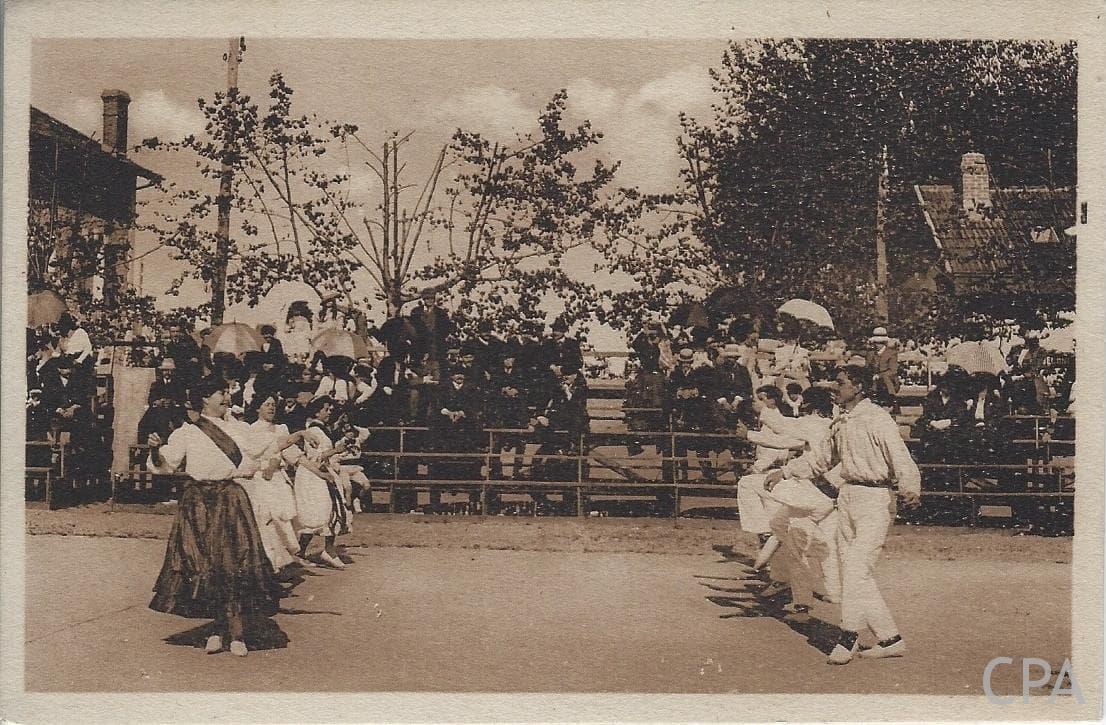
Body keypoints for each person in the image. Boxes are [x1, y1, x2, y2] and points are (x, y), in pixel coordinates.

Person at [767, 365, 921, 665]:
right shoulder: (840, 421)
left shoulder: (878, 419)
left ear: (859, 387)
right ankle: (890, 639)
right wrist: (784, 471)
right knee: (857, 573)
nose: (834, 388)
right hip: (847, 497)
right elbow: (822, 459)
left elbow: (900, 455)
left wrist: (910, 485)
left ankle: (848, 636)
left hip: (874, 499)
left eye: (840, 383)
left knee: (854, 568)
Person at [146, 379, 287, 657]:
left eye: (226, 392)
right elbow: (165, 464)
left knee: (232, 564)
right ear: (204, 399)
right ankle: (216, 629)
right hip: (198, 503)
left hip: (229, 499)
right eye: (220, 393)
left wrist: (285, 446)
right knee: (206, 566)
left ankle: (235, 632)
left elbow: (256, 455)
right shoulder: (187, 432)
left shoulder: (237, 429)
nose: (226, 397)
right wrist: (154, 448)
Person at [733, 387, 842, 611]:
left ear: (811, 405)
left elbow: (783, 428)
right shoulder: (826, 426)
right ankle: (828, 590)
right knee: (800, 533)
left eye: (804, 401)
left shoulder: (813, 423)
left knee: (793, 543)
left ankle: (801, 602)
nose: (799, 405)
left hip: (814, 493)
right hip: (828, 496)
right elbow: (786, 441)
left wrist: (759, 414)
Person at [292, 396, 355, 569]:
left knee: (329, 512)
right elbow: (315, 458)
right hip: (313, 476)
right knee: (318, 513)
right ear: (316, 411)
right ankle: (301, 552)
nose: (329, 412)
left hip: (323, 474)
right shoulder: (313, 430)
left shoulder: (322, 429)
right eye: (326, 409)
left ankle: (328, 549)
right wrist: (337, 450)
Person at [866, 327, 901, 413]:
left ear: (885, 343)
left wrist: (879, 375)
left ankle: (893, 400)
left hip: (890, 380)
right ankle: (870, 399)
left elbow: (893, 370)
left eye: (880, 343)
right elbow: (867, 367)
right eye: (876, 342)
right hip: (874, 379)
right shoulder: (871, 353)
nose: (877, 345)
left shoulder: (891, 353)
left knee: (886, 377)